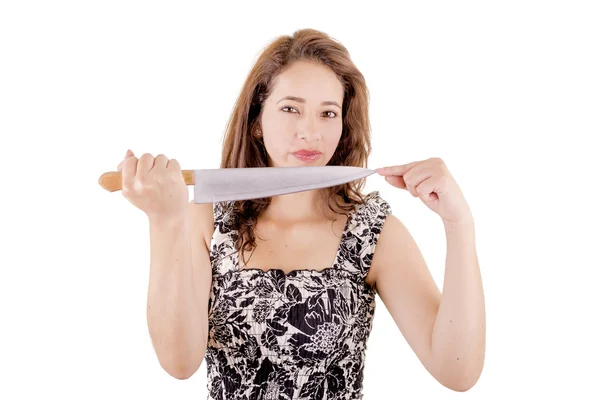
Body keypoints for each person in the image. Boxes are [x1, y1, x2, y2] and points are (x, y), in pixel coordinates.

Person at [116, 28, 485, 399]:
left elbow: (457, 371)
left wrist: (459, 224)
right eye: (290, 108)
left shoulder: (372, 232)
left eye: (328, 113)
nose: (311, 131)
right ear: (257, 121)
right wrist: (164, 222)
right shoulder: (206, 222)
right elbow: (178, 363)